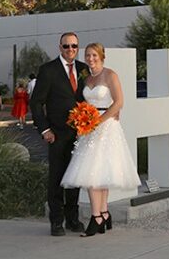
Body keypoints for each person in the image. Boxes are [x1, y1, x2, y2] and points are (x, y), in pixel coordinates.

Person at [61, 43, 140, 237]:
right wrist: (83, 119)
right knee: (96, 173)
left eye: (94, 55)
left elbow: (119, 102)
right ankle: (103, 213)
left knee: (95, 174)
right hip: (88, 128)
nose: (90, 58)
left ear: (102, 56)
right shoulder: (85, 78)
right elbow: (82, 102)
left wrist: (98, 121)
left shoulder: (110, 75)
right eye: (88, 55)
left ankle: (96, 217)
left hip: (106, 128)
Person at [30, 32, 87, 236]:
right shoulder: (48, 70)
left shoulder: (83, 69)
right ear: (60, 47)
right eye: (66, 46)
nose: (70, 49)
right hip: (57, 134)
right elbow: (36, 103)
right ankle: (56, 221)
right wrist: (45, 130)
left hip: (80, 134)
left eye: (74, 46)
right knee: (56, 178)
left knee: (75, 178)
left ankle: (73, 219)